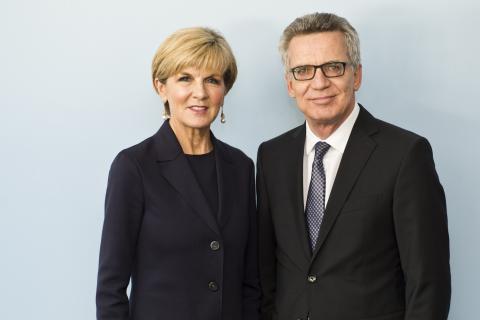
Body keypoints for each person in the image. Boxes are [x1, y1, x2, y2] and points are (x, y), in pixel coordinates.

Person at [256, 13, 450, 320]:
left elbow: (428, 282)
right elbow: (266, 270)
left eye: (333, 67)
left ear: (356, 75)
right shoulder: (271, 156)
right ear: (290, 84)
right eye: (303, 70)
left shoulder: (405, 155)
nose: (319, 83)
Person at [96, 27, 260, 320]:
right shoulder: (133, 166)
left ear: (224, 91)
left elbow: (250, 279)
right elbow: (111, 288)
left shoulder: (241, 167)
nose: (200, 92)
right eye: (185, 78)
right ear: (161, 87)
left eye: (212, 80)